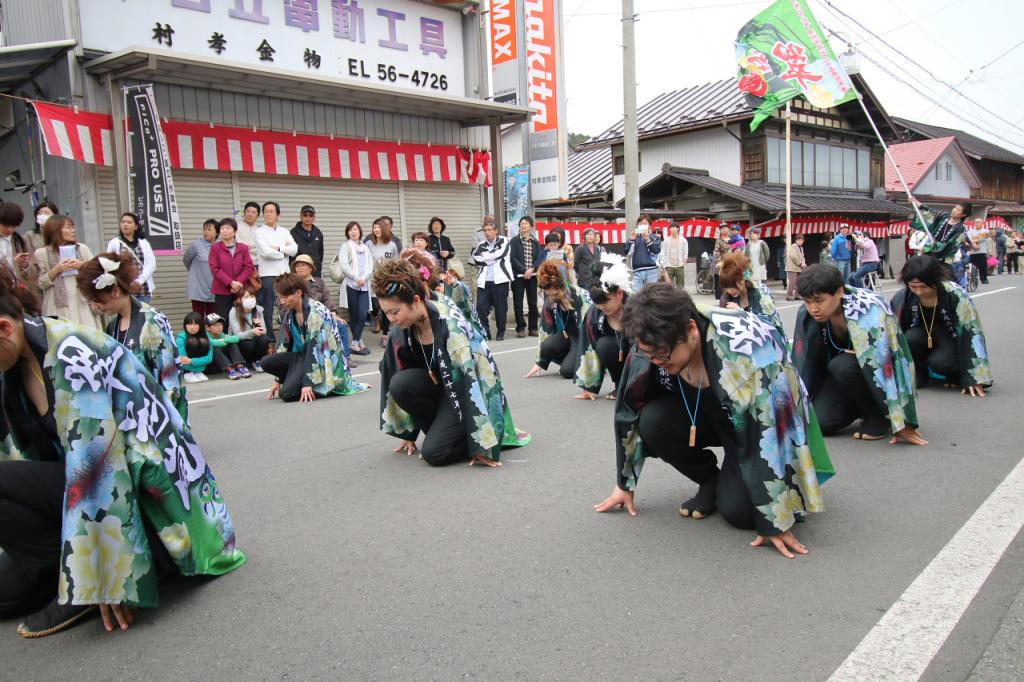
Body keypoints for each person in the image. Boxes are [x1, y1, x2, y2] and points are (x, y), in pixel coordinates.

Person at [0, 277, 246, 638]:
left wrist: (105, 574)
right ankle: (59, 573)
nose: (98, 304)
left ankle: (83, 584)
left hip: (145, 507)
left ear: (4, 327)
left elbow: (98, 465)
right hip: (80, 496)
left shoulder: (71, 350)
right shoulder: (14, 366)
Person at [594, 282, 828, 559]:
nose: (656, 361)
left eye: (662, 353)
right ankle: (710, 480)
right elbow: (627, 410)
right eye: (648, 353)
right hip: (700, 416)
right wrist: (624, 483)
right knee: (652, 421)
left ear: (691, 329)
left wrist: (775, 519)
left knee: (743, 515)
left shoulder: (744, 349)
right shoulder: (651, 343)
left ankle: (743, 480)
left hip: (752, 428)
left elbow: (769, 427)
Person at [373, 259, 530, 466]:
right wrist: (407, 432)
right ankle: (442, 434)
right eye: (386, 313)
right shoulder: (401, 328)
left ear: (416, 300)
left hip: (462, 391)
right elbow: (392, 369)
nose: (391, 318)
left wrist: (482, 443)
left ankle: (466, 438)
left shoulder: (450, 327)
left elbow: (472, 382)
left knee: (434, 454)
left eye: (395, 312)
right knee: (399, 384)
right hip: (439, 388)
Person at [793, 264, 925, 444]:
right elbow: (803, 361)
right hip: (839, 375)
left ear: (839, 292)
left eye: (819, 301)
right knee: (823, 423)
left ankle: (877, 416)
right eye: (808, 301)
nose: (813, 308)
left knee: (841, 365)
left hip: (873, 372)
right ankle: (858, 406)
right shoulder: (807, 314)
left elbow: (888, 362)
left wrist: (901, 421)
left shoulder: (869, 308)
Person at [76, 252, 188, 422]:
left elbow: (169, 379)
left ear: (114, 291)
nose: (94, 306)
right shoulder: (112, 327)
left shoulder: (151, 321)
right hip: (130, 419)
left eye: (95, 298)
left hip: (158, 420)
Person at [891, 255, 992, 397]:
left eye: (923, 286)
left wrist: (974, 377)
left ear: (935, 280)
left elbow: (972, 333)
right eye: (913, 286)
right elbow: (893, 331)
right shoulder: (902, 297)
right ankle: (919, 374)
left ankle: (954, 373)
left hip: (949, 336)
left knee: (942, 362)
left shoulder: (955, 294)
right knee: (908, 338)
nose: (918, 292)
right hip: (920, 334)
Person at [263, 272, 368, 404]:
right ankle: (296, 379)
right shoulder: (289, 314)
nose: (282, 301)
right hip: (301, 357)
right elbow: (284, 345)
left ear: (298, 293)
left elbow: (314, 349)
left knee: (287, 394)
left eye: (285, 297)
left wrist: (308, 383)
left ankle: (314, 385)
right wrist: (278, 380)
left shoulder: (315, 312)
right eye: (279, 297)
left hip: (323, 359)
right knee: (266, 362)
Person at [575, 253, 630, 400]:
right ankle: (620, 385)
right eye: (597, 303)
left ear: (619, 293)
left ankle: (635, 386)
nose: (601, 307)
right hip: (614, 353)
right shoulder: (594, 313)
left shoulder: (638, 308)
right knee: (603, 345)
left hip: (640, 358)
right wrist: (587, 385)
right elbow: (587, 347)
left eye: (605, 302)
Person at [524, 260, 591, 380]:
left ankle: (591, 364)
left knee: (567, 372)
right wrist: (539, 362)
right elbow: (544, 330)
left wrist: (590, 364)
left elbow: (592, 332)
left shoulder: (581, 297)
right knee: (547, 346)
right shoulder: (550, 301)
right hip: (569, 336)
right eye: (548, 294)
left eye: (554, 294)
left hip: (586, 339)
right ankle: (573, 359)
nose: (551, 298)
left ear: (563, 286)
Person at [34, 215, 101, 328]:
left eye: (73, 227)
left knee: (87, 339)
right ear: (55, 229)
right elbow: (40, 283)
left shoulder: (81, 249)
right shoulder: (42, 253)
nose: (73, 230)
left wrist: (82, 265)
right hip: (57, 307)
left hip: (83, 303)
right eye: (69, 227)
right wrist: (57, 269)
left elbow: (97, 272)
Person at [292, 253, 353, 363]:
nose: (299, 268)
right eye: (297, 266)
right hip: (304, 318)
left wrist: (333, 313)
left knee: (342, 325)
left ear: (310, 268)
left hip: (323, 316)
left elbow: (327, 299)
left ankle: (345, 358)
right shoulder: (293, 284)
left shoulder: (319, 282)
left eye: (303, 265)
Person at [255, 201, 297, 347]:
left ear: (278, 214)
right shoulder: (259, 232)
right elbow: (266, 253)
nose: (268, 214)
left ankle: (288, 338)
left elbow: (294, 249)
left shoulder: (284, 231)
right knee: (267, 309)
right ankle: (270, 341)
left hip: (284, 274)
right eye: (266, 211)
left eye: (272, 211)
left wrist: (279, 248)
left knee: (287, 306)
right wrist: (283, 253)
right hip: (267, 275)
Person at [718, 252, 785, 338]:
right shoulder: (726, 297)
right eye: (726, 287)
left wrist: (741, 313)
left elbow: (769, 324)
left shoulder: (760, 293)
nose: (730, 290)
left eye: (733, 286)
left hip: (766, 341)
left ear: (743, 279)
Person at [208, 217, 256, 325]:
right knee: (223, 319)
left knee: (243, 317)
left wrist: (238, 283)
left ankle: (243, 340)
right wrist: (231, 283)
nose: (224, 230)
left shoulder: (243, 248)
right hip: (222, 289)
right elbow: (214, 268)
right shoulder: (215, 248)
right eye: (222, 228)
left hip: (241, 289)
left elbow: (249, 267)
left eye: (228, 228)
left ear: (235, 231)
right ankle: (225, 341)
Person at [470, 221, 513, 341]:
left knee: (500, 308)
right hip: (484, 281)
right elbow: (476, 258)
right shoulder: (481, 244)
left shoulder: (504, 241)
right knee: (480, 307)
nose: (487, 232)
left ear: (496, 230)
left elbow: (501, 253)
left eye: (489, 230)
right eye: (485, 230)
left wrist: (486, 257)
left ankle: (500, 331)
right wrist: (491, 258)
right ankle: (485, 331)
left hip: (500, 280)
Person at [335, 221, 373, 355]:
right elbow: (344, 265)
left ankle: (355, 341)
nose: (353, 232)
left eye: (355, 229)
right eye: (350, 230)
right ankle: (358, 342)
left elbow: (370, 265)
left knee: (363, 314)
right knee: (355, 314)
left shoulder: (365, 247)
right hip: (351, 284)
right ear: (347, 233)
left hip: (364, 285)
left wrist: (364, 278)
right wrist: (357, 278)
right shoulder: (345, 247)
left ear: (359, 231)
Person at [909, 197, 971, 273]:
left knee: (947, 274)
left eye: (958, 210)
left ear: (963, 214)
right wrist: (916, 203)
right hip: (929, 249)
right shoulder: (943, 216)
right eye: (955, 207)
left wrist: (935, 248)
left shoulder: (961, 229)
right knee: (919, 269)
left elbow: (952, 245)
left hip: (946, 255)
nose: (954, 210)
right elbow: (930, 213)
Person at [105, 213, 157, 304]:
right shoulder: (114, 243)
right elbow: (108, 266)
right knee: (126, 317)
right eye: (123, 222)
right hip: (123, 289)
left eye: (129, 222)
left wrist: (139, 281)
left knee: (142, 316)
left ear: (136, 226)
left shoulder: (144, 243)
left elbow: (151, 264)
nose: (125, 224)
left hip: (143, 289)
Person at [364, 218, 400, 341]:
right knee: (374, 305)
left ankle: (385, 335)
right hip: (372, 279)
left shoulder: (392, 245)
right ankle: (375, 318)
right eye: (374, 228)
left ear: (384, 229)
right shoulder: (368, 244)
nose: (376, 230)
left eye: (379, 228)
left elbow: (395, 262)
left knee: (386, 307)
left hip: (387, 280)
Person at [510, 216, 543, 338]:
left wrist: (532, 269)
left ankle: (533, 327)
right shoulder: (514, 241)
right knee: (518, 303)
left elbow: (539, 258)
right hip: (518, 276)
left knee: (533, 303)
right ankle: (520, 327)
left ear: (531, 226)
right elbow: (513, 258)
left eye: (526, 223)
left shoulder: (535, 241)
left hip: (532, 276)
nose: (523, 225)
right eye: (521, 223)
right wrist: (524, 271)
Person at [227, 286, 270, 372]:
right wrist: (252, 332)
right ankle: (246, 362)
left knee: (264, 339)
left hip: (254, 337)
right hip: (241, 342)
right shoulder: (234, 312)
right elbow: (237, 334)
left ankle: (258, 361)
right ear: (240, 299)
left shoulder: (258, 310)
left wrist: (259, 329)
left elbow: (264, 330)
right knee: (248, 344)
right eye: (246, 297)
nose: (250, 299)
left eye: (252, 296)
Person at [0, 203, 40, 287]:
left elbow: (35, 273)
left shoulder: (20, 240)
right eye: (6, 225)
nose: (10, 229)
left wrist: (25, 265)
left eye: (14, 226)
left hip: (17, 292)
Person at [183, 218, 218, 315]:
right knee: (198, 317)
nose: (206, 232)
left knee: (212, 318)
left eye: (209, 230)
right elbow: (186, 260)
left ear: (217, 232)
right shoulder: (196, 245)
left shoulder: (219, 246)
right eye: (204, 229)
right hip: (197, 287)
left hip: (213, 287)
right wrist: (195, 272)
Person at [206, 313, 251, 380]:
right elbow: (211, 342)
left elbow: (236, 339)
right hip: (211, 366)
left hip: (221, 364)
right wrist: (224, 341)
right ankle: (230, 369)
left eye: (220, 324)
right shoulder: (205, 335)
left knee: (232, 344)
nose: (219, 327)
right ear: (207, 328)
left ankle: (239, 366)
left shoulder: (221, 334)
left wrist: (224, 340)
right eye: (215, 325)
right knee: (214, 349)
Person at [625, 215, 662, 292]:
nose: (642, 225)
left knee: (652, 294)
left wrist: (648, 239)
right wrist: (631, 240)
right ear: (637, 226)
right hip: (637, 271)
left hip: (652, 270)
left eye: (645, 223)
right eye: (640, 224)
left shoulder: (655, 237)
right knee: (637, 295)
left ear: (649, 226)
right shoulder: (634, 237)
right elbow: (626, 252)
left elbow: (656, 251)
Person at [176, 312, 214, 384]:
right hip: (185, 368)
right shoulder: (181, 338)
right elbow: (183, 360)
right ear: (185, 325)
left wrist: (191, 361)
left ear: (200, 325)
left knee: (202, 341)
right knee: (192, 342)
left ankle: (197, 372)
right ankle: (188, 373)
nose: (192, 327)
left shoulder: (205, 336)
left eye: (195, 324)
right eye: (189, 324)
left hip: (201, 368)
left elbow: (209, 358)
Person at [289, 204, 325, 276]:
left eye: (311, 215)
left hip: (315, 272)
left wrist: (317, 263)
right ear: (300, 216)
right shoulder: (293, 233)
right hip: (299, 273)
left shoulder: (318, 233)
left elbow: (321, 253)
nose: (308, 218)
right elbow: (290, 255)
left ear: (314, 218)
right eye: (305, 215)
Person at [659, 223, 687, 289]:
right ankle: (670, 298)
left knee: (680, 285)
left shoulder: (683, 240)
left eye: (673, 227)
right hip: (669, 265)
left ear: (678, 228)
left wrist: (684, 263)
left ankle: (680, 298)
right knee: (668, 286)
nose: (671, 229)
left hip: (679, 265)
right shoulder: (666, 241)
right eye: (670, 228)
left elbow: (685, 252)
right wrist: (663, 265)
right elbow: (663, 253)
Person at [235, 200, 262, 267]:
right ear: (244, 213)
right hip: (241, 263)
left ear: (258, 215)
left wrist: (248, 247)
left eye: (253, 212)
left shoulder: (260, 231)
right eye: (248, 211)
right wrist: (253, 246)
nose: (250, 214)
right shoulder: (236, 227)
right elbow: (238, 245)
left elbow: (261, 248)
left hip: (257, 264)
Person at [965, 220, 991, 285]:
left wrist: (976, 240)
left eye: (979, 222)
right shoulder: (970, 231)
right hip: (972, 252)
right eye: (976, 222)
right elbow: (969, 239)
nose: (977, 223)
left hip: (982, 251)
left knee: (982, 266)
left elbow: (984, 238)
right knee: (971, 266)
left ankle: (984, 279)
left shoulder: (985, 231)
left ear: (982, 223)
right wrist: (973, 244)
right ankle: (972, 279)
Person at [785, 234, 806, 300]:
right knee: (792, 282)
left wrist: (803, 263)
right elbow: (793, 256)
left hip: (799, 268)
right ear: (796, 240)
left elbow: (802, 257)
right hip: (792, 267)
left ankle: (797, 294)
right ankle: (789, 295)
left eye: (802, 240)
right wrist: (800, 263)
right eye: (799, 240)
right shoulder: (793, 246)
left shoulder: (801, 248)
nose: (800, 241)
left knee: (799, 282)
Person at [712, 225, 730, 299]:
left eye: (726, 228)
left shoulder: (732, 239)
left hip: (731, 261)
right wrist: (719, 261)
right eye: (722, 229)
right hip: (722, 261)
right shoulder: (719, 240)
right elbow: (717, 251)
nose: (724, 230)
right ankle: (721, 296)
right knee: (721, 279)